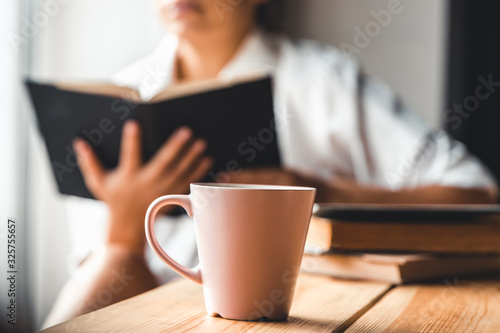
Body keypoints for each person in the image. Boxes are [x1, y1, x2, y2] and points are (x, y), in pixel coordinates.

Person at [42, 0, 497, 327]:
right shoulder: (111, 103)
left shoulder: (323, 81)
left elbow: (475, 191)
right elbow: (108, 295)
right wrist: (123, 232)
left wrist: (324, 192)